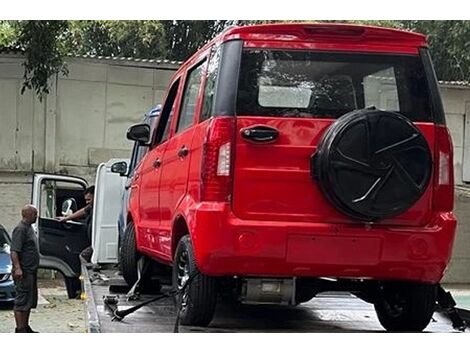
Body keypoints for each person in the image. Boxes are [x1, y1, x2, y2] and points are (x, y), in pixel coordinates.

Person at [10, 204, 39, 333]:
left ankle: (26, 327)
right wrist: (17, 268)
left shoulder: (29, 228)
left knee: (29, 301)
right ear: (28, 214)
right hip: (23, 272)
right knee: (21, 301)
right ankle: (20, 329)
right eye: (35, 214)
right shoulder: (20, 229)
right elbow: (14, 251)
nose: (36, 216)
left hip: (31, 271)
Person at [58, 186, 95, 263]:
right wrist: (66, 218)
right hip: (93, 242)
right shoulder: (91, 207)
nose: (87, 202)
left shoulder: (99, 207)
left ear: (96, 196)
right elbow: (83, 211)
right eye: (86, 200)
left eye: (89, 199)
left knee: (83, 256)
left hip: (97, 243)